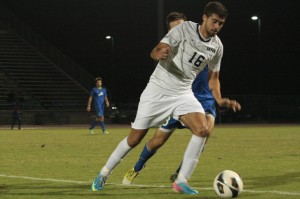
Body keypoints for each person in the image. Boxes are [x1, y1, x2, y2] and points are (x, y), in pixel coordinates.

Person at [91, 2, 230, 194]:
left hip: (183, 92)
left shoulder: (217, 46)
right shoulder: (184, 28)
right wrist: (159, 53)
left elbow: (213, 78)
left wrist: (220, 99)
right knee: (134, 139)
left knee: (202, 129)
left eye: (221, 24)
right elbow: (156, 50)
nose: (217, 27)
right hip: (157, 90)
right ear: (204, 18)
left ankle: (181, 181)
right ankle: (104, 173)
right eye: (214, 21)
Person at [122, 11, 241, 186]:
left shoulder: (206, 44)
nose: (179, 30)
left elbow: (213, 78)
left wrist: (220, 99)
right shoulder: (171, 50)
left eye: (181, 26)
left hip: (202, 99)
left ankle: (181, 174)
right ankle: (137, 167)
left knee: (206, 130)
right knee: (157, 141)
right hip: (176, 98)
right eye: (174, 29)